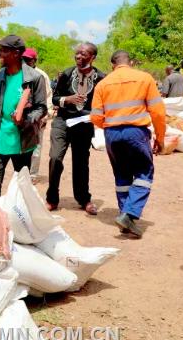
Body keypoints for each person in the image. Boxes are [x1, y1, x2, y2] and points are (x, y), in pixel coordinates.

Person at [90, 50, 166, 238]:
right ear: (130, 62)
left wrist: (110, 126)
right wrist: (160, 137)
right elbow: (157, 112)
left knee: (122, 174)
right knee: (144, 172)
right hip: (136, 133)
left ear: (112, 65)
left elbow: (95, 117)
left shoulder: (103, 83)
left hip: (112, 134)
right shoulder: (145, 78)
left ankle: (126, 219)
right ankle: (129, 214)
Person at [0, 35, 47, 196]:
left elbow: (41, 108)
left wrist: (25, 119)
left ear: (16, 53)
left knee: (22, 185)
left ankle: (20, 219)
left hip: (23, 141)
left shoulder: (34, 78)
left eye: (3, 50)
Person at [46, 42, 105, 215]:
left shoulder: (101, 78)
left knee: (81, 162)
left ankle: (84, 199)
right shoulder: (66, 74)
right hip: (62, 121)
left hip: (84, 124)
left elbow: (104, 102)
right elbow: (55, 99)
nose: (78, 57)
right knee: (55, 158)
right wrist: (68, 100)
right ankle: (52, 199)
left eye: (83, 54)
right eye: (77, 54)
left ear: (92, 57)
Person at [22, 47, 53, 183]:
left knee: (36, 147)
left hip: (38, 117)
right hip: (22, 117)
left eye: (29, 60)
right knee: (21, 146)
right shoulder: (20, 74)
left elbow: (48, 96)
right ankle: (22, 173)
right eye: (24, 59)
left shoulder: (41, 75)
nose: (26, 62)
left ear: (35, 60)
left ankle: (33, 175)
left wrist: (46, 116)